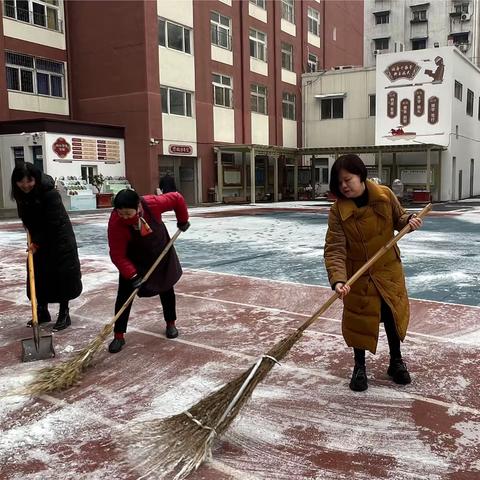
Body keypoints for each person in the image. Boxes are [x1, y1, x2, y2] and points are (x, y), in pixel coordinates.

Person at [323, 154, 423, 392]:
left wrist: (409, 220)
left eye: (348, 179)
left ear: (361, 175)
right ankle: (359, 367)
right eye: (339, 183)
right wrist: (338, 280)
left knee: (391, 316)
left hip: (388, 270)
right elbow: (335, 248)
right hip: (358, 274)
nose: (344, 186)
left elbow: (398, 218)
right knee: (360, 319)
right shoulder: (338, 211)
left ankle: (396, 362)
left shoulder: (385, 195)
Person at [107, 188, 190, 353]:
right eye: (120, 213)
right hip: (133, 260)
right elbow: (117, 254)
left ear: (138, 207)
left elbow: (177, 198)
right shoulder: (116, 223)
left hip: (159, 251)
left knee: (166, 288)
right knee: (124, 295)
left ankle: (171, 323)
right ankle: (118, 335)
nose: (124, 217)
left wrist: (182, 219)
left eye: (128, 213)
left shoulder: (152, 204)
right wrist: (132, 274)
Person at [11, 163, 82, 331]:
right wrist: (33, 237)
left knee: (61, 276)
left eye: (29, 181)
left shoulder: (50, 194)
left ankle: (64, 313)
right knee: (38, 274)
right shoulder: (21, 194)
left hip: (59, 240)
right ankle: (42, 312)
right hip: (39, 239)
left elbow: (53, 222)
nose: (25, 185)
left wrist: (37, 242)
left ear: (36, 179)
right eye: (21, 181)